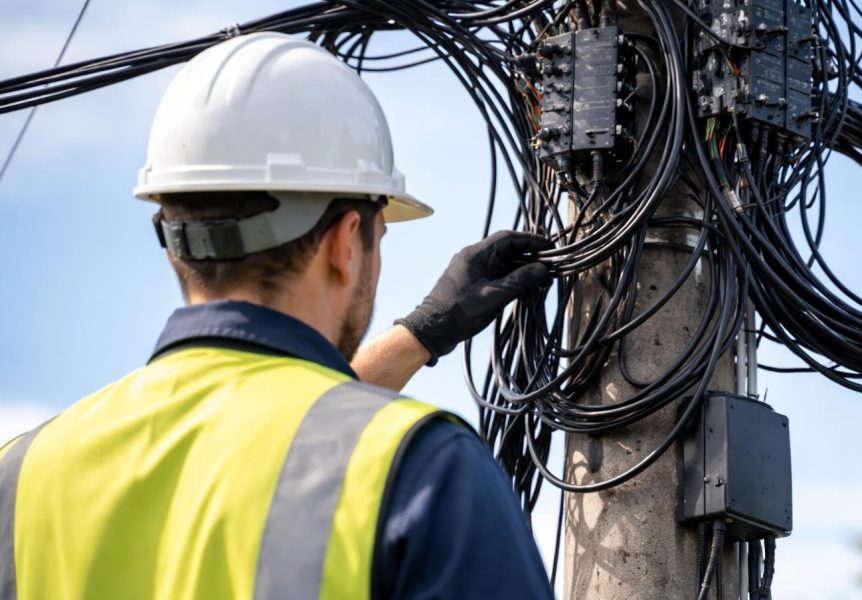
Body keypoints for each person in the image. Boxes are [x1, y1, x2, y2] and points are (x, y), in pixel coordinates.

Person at [0, 32, 554, 600]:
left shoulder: (20, 477)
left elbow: (271, 432)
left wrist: (421, 332)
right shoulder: (425, 474)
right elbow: (301, 446)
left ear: (171, 243)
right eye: (379, 237)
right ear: (346, 242)